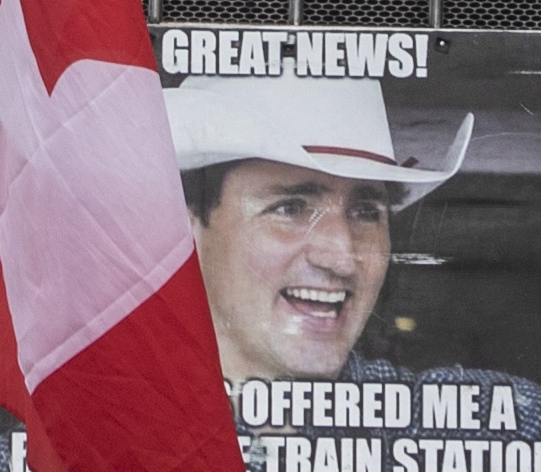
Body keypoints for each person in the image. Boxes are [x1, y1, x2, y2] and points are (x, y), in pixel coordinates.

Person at [176, 82, 452, 383]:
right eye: (291, 209)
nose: (342, 259)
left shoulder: (463, 415)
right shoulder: (129, 419)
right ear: (187, 233)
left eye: (366, 212)